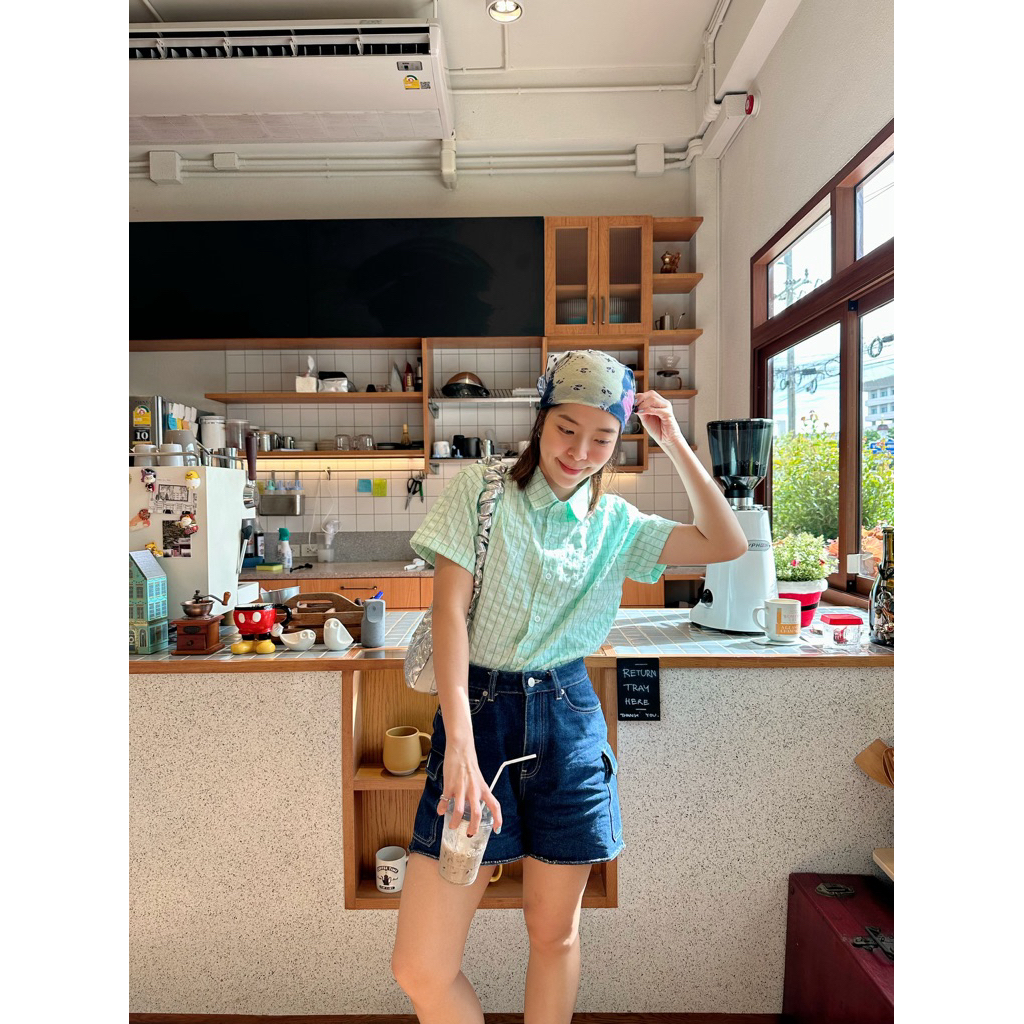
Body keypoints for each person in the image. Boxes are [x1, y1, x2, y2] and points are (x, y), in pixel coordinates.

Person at [391, 349, 747, 1023]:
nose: (581, 452)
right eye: (566, 429)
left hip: (568, 721)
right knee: (420, 967)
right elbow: (448, 616)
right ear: (541, 419)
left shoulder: (616, 524)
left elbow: (726, 542)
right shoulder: (483, 491)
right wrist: (460, 747)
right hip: (479, 719)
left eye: (603, 438)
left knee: (554, 935)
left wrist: (673, 441)